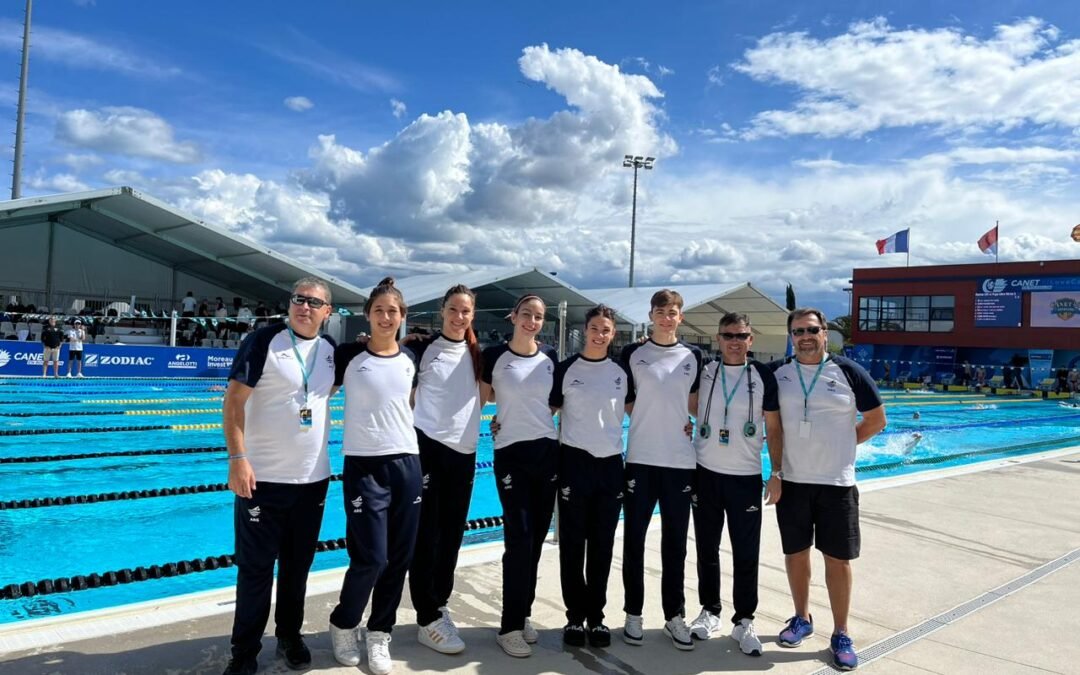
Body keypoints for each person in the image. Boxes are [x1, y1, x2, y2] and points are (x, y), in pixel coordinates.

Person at [221, 277, 336, 675]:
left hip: (312, 481)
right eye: (298, 299)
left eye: (314, 302)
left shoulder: (329, 350)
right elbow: (233, 402)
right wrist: (238, 458)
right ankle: (244, 653)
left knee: (297, 567)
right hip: (262, 479)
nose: (304, 307)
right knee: (255, 571)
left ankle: (289, 635)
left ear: (327, 312)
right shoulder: (264, 341)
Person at [770, 308, 886, 671]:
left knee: (837, 559)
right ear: (791, 336)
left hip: (837, 483)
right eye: (797, 331)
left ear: (824, 333)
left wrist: (844, 444)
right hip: (793, 481)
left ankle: (841, 632)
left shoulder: (850, 372)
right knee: (796, 554)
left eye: (811, 330)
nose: (804, 337)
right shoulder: (778, 373)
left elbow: (876, 420)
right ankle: (801, 617)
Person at [328, 278, 422, 675]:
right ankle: (344, 622)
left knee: (399, 558)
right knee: (372, 557)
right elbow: (315, 393)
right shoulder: (348, 354)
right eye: (379, 310)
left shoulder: (410, 357)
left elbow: (408, 403)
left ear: (402, 317)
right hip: (364, 466)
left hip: (407, 463)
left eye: (393, 311)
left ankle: (380, 632)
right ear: (368, 315)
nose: (386, 317)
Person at [687, 312, 781, 657]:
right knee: (706, 549)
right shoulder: (705, 371)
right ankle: (710, 610)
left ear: (750, 340)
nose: (735, 342)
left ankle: (744, 619)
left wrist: (777, 472)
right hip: (706, 473)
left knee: (745, 553)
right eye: (728, 335)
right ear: (719, 338)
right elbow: (688, 403)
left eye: (741, 336)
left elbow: (774, 427)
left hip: (745, 477)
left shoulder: (762, 376)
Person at [620, 289, 704, 651]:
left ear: (680, 317)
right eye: (661, 312)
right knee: (634, 541)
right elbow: (625, 399)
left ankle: (674, 615)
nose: (667, 318)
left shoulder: (693, 356)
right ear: (651, 315)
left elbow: (695, 403)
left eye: (673, 312)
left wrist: (688, 422)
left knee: (675, 545)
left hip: (679, 462)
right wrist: (648, 418)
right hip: (641, 458)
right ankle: (633, 613)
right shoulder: (632, 353)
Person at [480, 294, 559, 658]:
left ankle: (523, 612)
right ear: (513, 316)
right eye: (526, 314)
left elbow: (555, 402)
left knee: (537, 539)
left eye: (538, 316)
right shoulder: (494, 356)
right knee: (520, 538)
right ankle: (509, 626)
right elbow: (480, 400)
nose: (531, 320)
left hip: (546, 452)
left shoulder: (550, 358)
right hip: (510, 453)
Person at [407, 285, 484, 655]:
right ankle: (426, 615)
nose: (459, 316)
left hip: (464, 453)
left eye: (465, 311)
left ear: (472, 315)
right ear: (442, 310)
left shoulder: (479, 354)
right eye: (453, 309)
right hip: (429, 450)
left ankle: (439, 604)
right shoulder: (422, 348)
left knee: (452, 534)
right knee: (426, 534)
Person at [550, 305, 630, 649]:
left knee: (602, 546)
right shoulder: (566, 369)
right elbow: (546, 411)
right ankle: (574, 616)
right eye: (595, 328)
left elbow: (640, 410)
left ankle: (596, 617)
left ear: (613, 334)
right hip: (574, 462)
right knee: (572, 545)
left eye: (606, 330)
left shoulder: (621, 372)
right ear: (585, 330)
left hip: (610, 465)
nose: (600, 334)